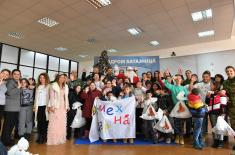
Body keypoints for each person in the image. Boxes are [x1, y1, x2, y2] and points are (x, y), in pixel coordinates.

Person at [164, 74, 189, 145]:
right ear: (175, 80)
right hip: (175, 107)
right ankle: (177, 136)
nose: (178, 80)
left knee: (182, 123)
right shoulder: (172, 87)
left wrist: (184, 100)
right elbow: (165, 83)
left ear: (181, 80)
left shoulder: (184, 88)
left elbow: (187, 97)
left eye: (179, 79)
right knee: (176, 123)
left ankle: (181, 137)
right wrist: (171, 77)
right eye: (177, 79)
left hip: (183, 107)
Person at [47, 74, 70, 145]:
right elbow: (51, 97)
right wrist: (52, 106)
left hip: (63, 106)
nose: (62, 79)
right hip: (55, 106)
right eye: (61, 77)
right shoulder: (53, 85)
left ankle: (60, 139)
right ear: (58, 78)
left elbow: (66, 97)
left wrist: (67, 105)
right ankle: (53, 140)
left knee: (61, 123)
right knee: (54, 123)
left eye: (64, 78)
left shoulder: (66, 86)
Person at [1, 69, 21, 146]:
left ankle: (7, 139)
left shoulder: (16, 82)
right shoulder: (10, 82)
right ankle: (5, 141)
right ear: (12, 75)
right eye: (15, 74)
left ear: (20, 75)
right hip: (10, 108)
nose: (16, 75)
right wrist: (18, 87)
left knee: (10, 125)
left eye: (18, 74)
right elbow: (9, 93)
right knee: (7, 126)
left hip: (15, 108)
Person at [34, 73, 50, 144]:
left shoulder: (49, 86)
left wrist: (49, 106)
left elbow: (51, 98)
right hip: (38, 107)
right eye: (40, 77)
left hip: (45, 107)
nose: (42, 79)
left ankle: (44, 137)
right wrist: (34, 106)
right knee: (39, 122)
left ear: (46, 78)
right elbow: (35, 98)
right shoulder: (38, 87)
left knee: (45, 123)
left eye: (43, 77)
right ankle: (39, 136)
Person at [221, 66, 235, 151]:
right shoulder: (225, 82)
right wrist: (223, 92)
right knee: (233, 126)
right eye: (227, 71)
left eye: (231, 71)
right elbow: (224, 92)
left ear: (234, 71)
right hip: (231, 107)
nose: (229, 72)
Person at [0, 69, 11, 134]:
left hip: (2, 105)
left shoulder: (4, 83)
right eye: (3, 73)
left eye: (7, 74)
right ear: (0, 73)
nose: (5, 75)